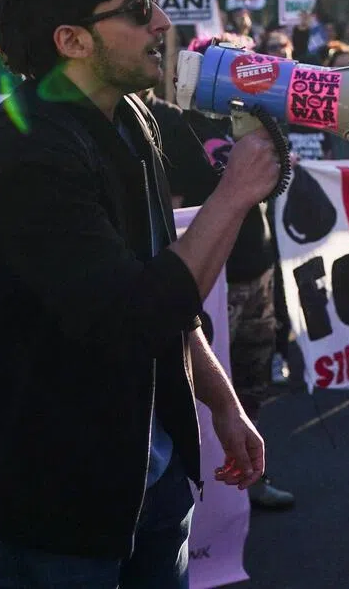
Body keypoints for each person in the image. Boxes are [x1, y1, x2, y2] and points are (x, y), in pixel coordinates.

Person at [0, 0, 281, 587]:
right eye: (136, 10)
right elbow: (131, 313)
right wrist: (236, 193)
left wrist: (223, 402)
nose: (161, 22)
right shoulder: (27, 154)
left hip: (149, 483)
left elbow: (162, 290)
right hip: (55, 509)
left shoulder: (134, 118)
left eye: (152, 1)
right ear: (71, 41)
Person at [145, 83, 296, 512]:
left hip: (255, 265)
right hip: (216, 276)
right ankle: (210, 492)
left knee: (251, 378)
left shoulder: (251, 116)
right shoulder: (173, 120)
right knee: (204, 381)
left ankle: (251, 475)